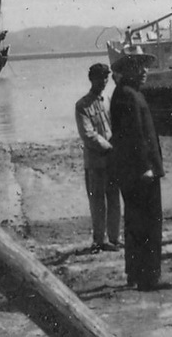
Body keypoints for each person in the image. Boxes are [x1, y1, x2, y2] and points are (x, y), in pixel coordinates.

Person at [110, 53, 167, 291]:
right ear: (128, 71)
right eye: (139, 67)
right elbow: (134, 136)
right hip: (141, 173)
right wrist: (145, 167)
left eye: (146, 67)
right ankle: (149, 277)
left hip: (135, 172)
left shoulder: (129, 93)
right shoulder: (128, 95)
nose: (145, 71)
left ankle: (135, 273)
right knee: (149, 223)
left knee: (136, 222)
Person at [75, 63, 121, 253]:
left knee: (114, 199)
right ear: (91, 79)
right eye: (99, 77)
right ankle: (99, 240)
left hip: (112, 160)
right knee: (97, 202)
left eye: (105, 77)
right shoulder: (82, 105)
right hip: (95, 161)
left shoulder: (108, 100)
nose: (103, 81)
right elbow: (88, 134)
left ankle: (114, 239)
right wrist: (109, 148)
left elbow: (116, 127)